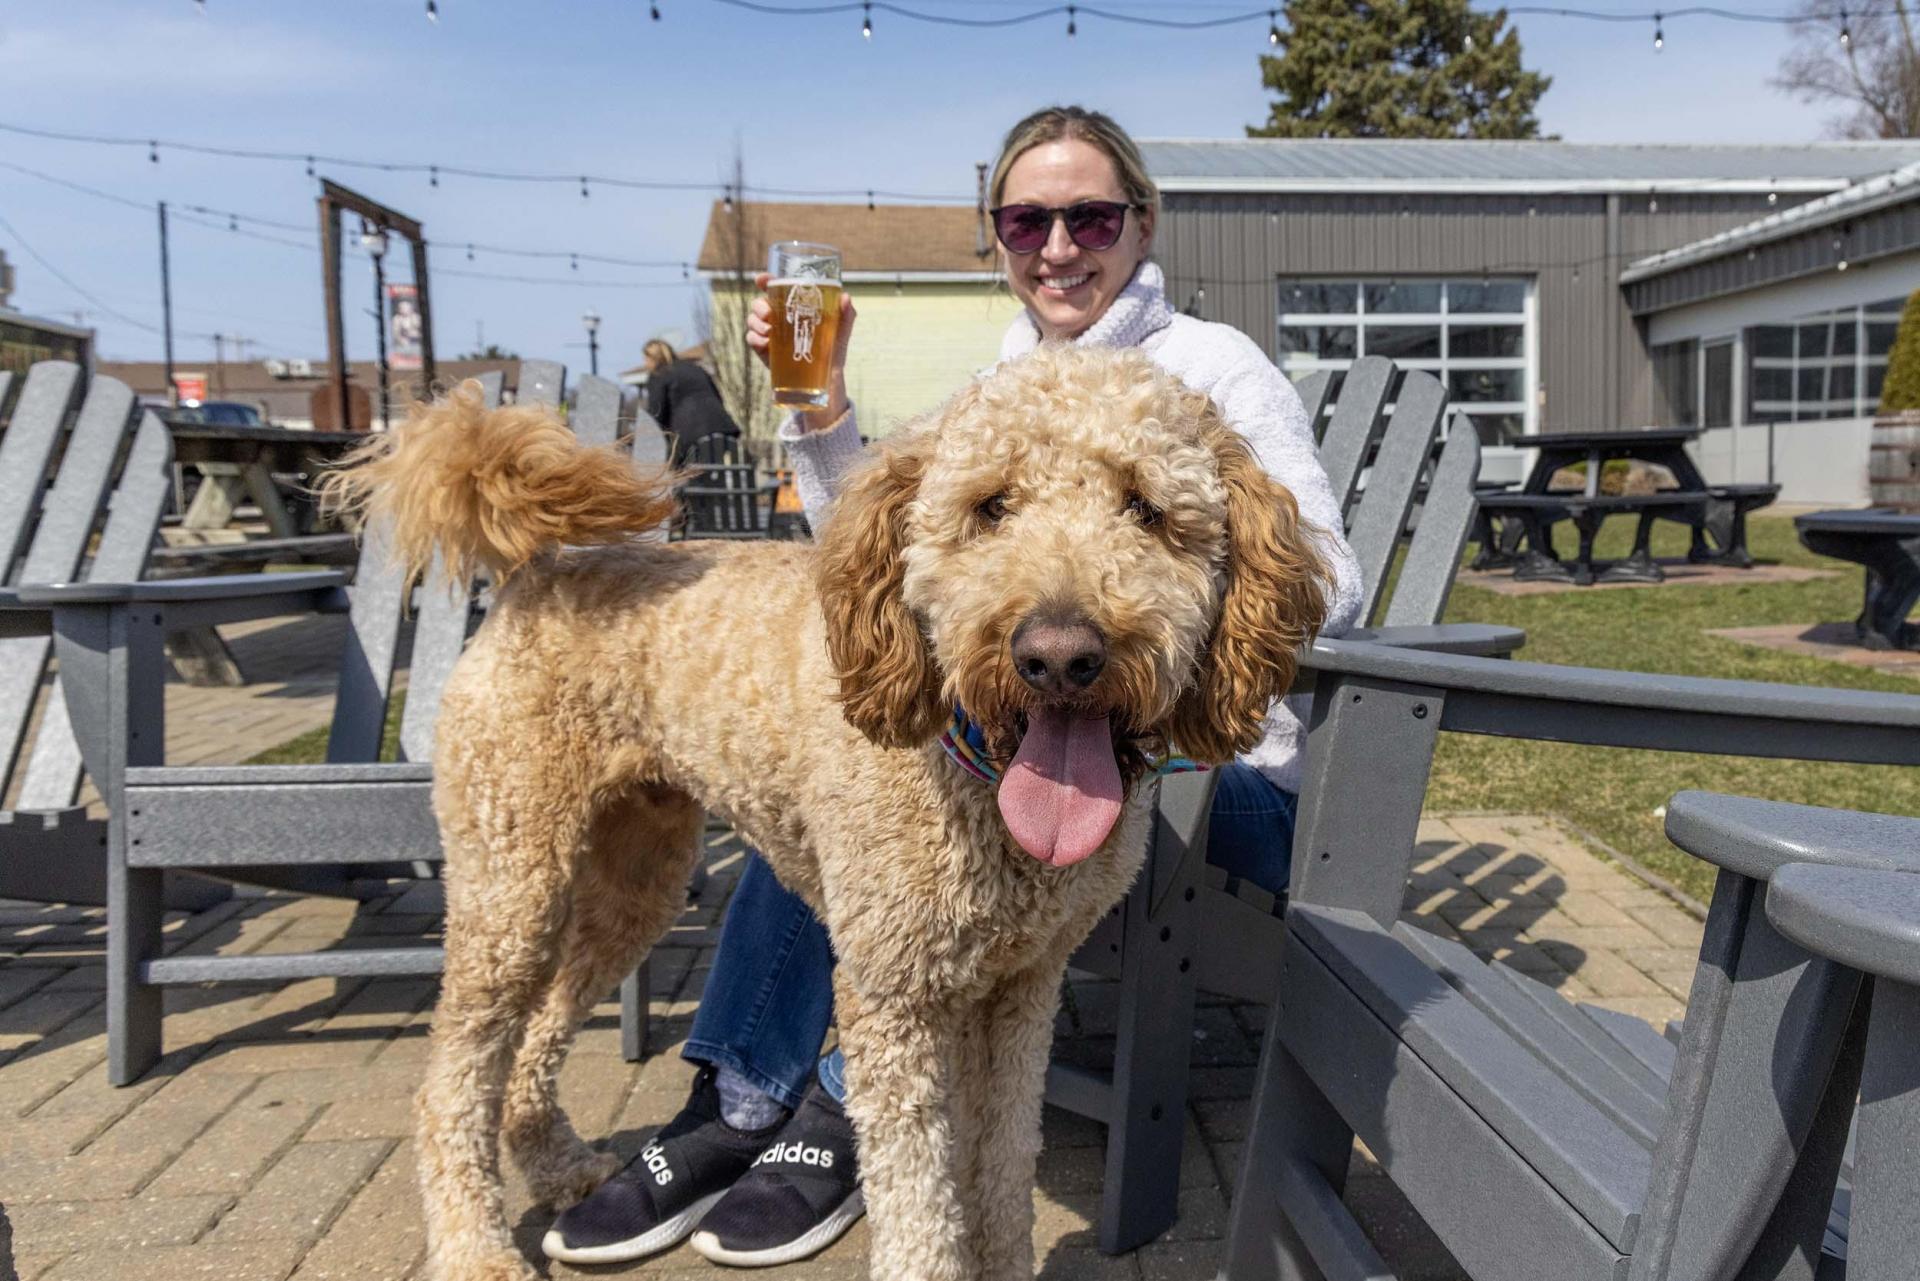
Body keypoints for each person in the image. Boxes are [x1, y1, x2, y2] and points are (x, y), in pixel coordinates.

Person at [544, 105, 1364, 1271]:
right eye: (1027, 219)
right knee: (840, 748)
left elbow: (1328, 578)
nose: (1060, 245)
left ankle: (805, 1105)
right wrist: (821, 411)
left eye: (1090, 215)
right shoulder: (1007, 379)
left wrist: (1175, 663)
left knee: (867, 791)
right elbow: (878, 567)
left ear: (1143, 223)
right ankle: (763, 1100)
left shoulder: (1210, 368)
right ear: (998, 237)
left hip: (1204, 770)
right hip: (1035, 752)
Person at [641, 338, 742, 461]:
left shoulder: (659, 374)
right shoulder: (695, 368)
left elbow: (656, 413)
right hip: (722, 429)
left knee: (688, 475)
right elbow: (717, 396)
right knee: (714, 471)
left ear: (651, 358)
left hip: (689, 436)